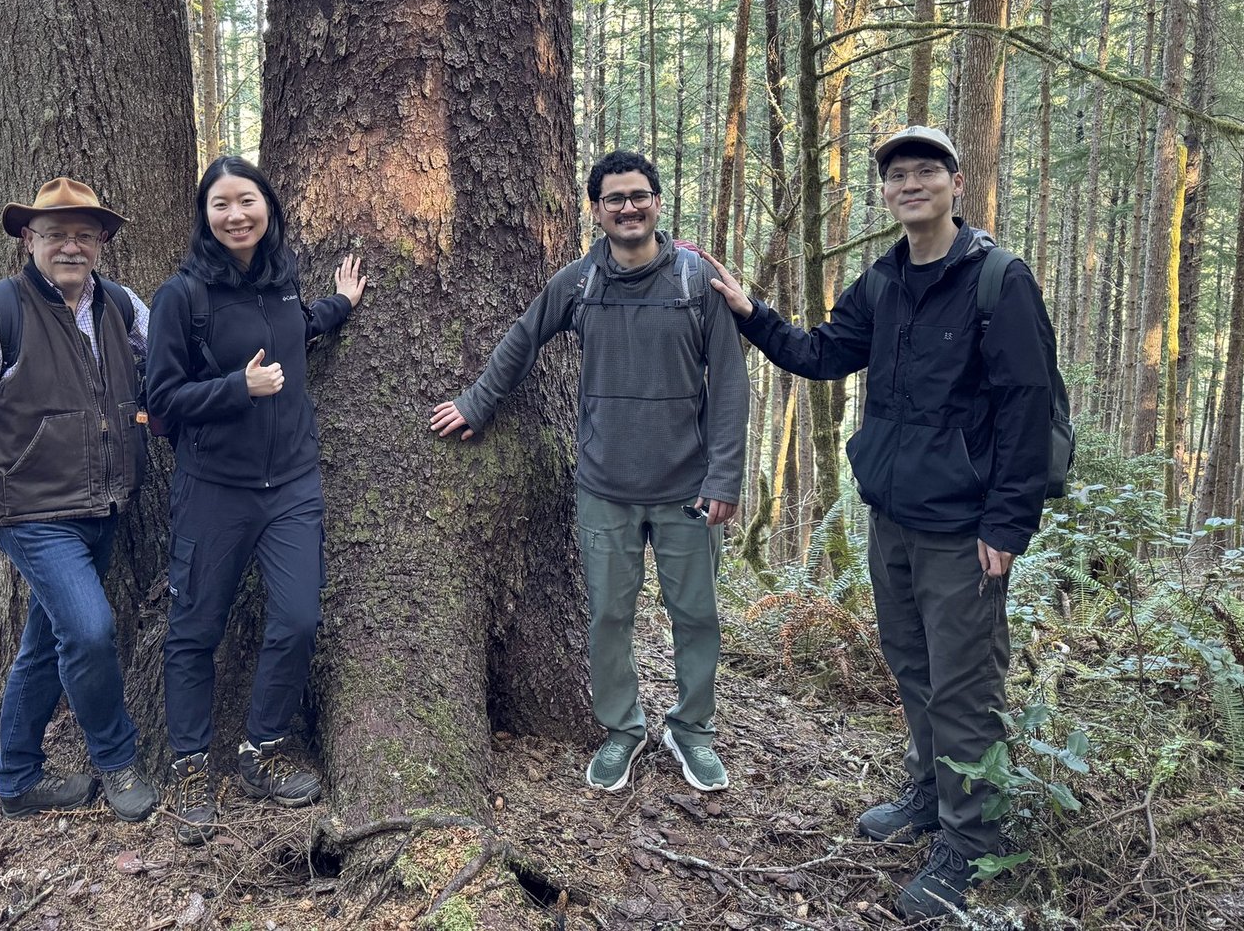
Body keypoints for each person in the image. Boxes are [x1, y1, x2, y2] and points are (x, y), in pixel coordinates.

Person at [709, 125, 1061, 920]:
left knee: (965, 687)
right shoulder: (883, 282)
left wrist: (1008, 526)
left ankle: (969, 849)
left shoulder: (998, 282)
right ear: (885, 192)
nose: (910, 184)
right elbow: (823, 353)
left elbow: (1026, 409)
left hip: (964, 528)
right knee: (913, 670)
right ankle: (930, 798)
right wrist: (749, 311)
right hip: (892, 519)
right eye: (897, 175)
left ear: (955, 183)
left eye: (925, 172)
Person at [430, 150, 748, 794]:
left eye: (639, 195)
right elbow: (523, 339)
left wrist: (724, 478)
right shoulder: (579, 283)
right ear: (597, 211)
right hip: (605, 488)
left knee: (696, 615)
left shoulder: (697, 285)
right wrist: (475, 404)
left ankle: (692, 730)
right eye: (614, 199)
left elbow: (733, 387)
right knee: (607, 615)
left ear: (658, 201)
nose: (628, 207)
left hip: (688, 491)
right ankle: (622, 730)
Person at [146, 156, 365, 845]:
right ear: (204, 217)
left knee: (298, 619)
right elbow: (160, 402)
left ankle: (260, 749)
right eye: (220, 205)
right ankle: (188, 765)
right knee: (194, 630)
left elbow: (293, 330)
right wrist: (236, 389)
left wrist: (340, 307)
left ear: (266, 206)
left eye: (246, 201)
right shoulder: (182, 296)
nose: (235, 214)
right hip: (214, 490)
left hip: (293, 486)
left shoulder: (281, 281)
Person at [0, 177, 158, 822]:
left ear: (102, 244)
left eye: (84, 235)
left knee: (47, 641)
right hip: (33, 515)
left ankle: (16, 778)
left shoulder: (122, 307)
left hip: (108, 507)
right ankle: (116, 762)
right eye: (56, 234)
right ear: (29, 239)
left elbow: (165, 366)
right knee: (89, 631)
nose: (70, 246)